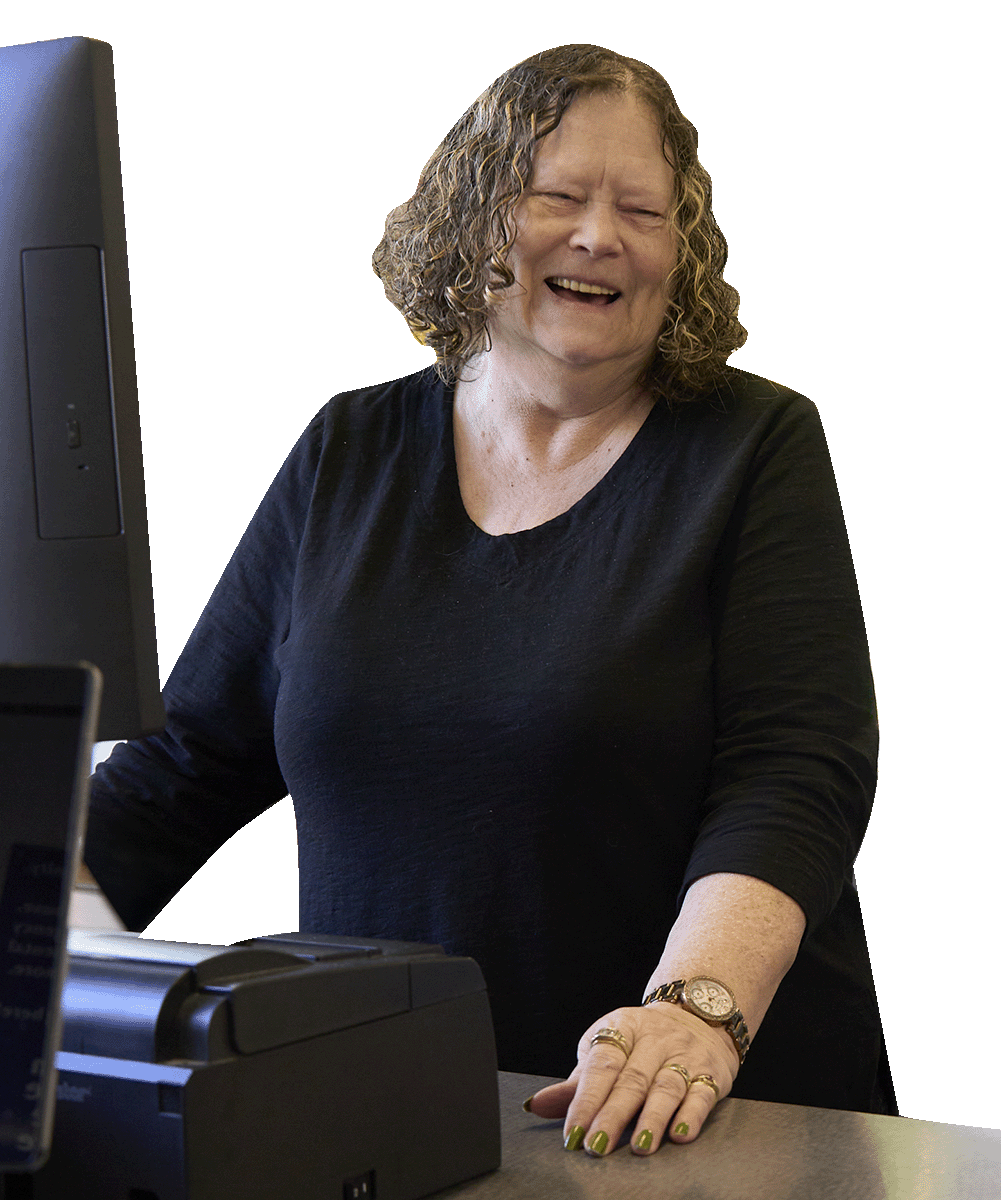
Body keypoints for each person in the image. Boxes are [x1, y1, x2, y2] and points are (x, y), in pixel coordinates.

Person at [84, 44, 897, 1158]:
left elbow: (797, 772)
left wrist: (693, 1014)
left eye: (643, 211)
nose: (600, 236)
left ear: (682, 251)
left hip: (696, 1117)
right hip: (398, 1117)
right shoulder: (349, 449)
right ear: (472, 218)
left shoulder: (755, 445)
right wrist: (33, 926)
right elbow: (184, 765)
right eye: (558, 196)